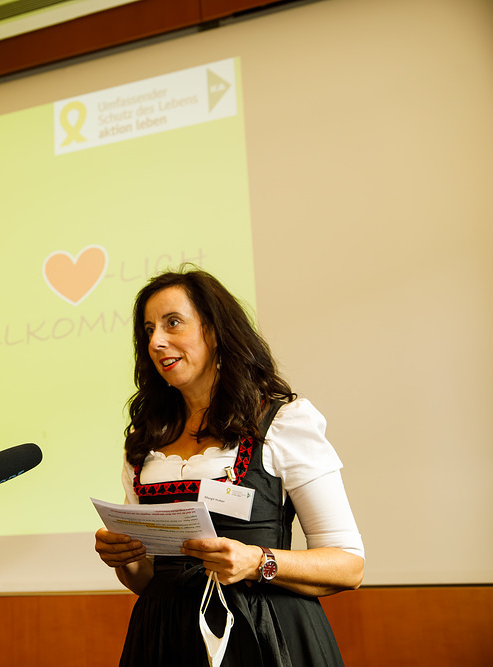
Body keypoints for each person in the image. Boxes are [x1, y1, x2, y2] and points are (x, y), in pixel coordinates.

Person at [95, 267, 364, 666]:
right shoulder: (144, 441)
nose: (156, 342)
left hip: (262, 636)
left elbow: (349, 566)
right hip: (164, 640)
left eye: (173, 323)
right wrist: (127, 559)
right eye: (148, 330)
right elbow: (149, 580)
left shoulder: (283, 423)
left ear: (216, 331)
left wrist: (256, 561)